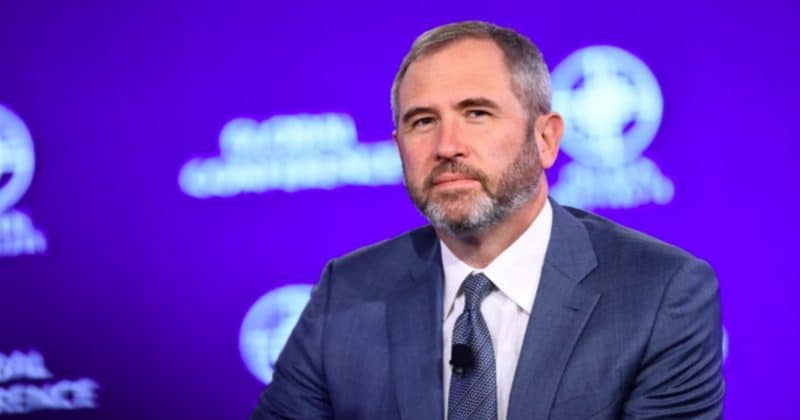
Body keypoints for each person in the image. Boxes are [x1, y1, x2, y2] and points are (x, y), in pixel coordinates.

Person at [252, 21, 724, 419]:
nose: (447, 146)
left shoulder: (659, 293)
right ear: (399, 147)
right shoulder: (348, 292)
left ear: (545, 139)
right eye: (422, 122)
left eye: (476, 113)